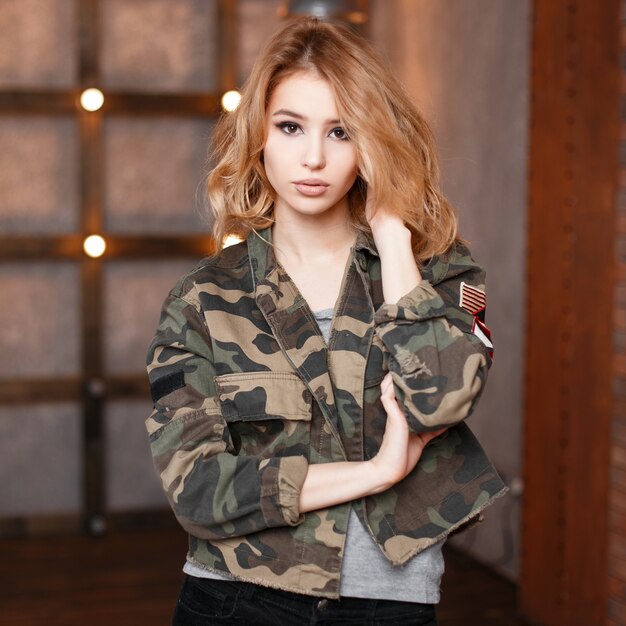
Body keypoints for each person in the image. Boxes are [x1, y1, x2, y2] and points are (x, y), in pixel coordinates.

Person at [146, 16, 505, 626]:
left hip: (386, 605)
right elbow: (198, 492)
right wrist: (377, 471)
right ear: (260, 135)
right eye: (290, 127)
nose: (313, 158)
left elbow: (441, 400)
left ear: (370, 142)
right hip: (235, 598)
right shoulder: (202, 298)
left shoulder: (437, 271)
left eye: (341, 132)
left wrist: (394, 237)